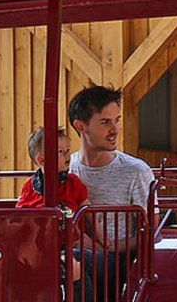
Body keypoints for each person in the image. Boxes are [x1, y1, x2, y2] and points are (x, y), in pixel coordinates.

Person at [66, 85, 155, 243]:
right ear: (80, 126)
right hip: (70, 254)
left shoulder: (136, 171)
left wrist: (103, 248)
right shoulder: (64, 170)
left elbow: (150, 235)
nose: (115, 129)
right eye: (105, 122)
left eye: (117, 120)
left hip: (115, 260)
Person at [16, 127, 86, 210]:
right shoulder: (29, 188)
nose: (67, 155)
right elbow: (20, 215)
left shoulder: (73, 183)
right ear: (42, 160)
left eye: (67, 150)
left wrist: (95, 223)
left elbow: (86, 207)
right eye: (60, 151)